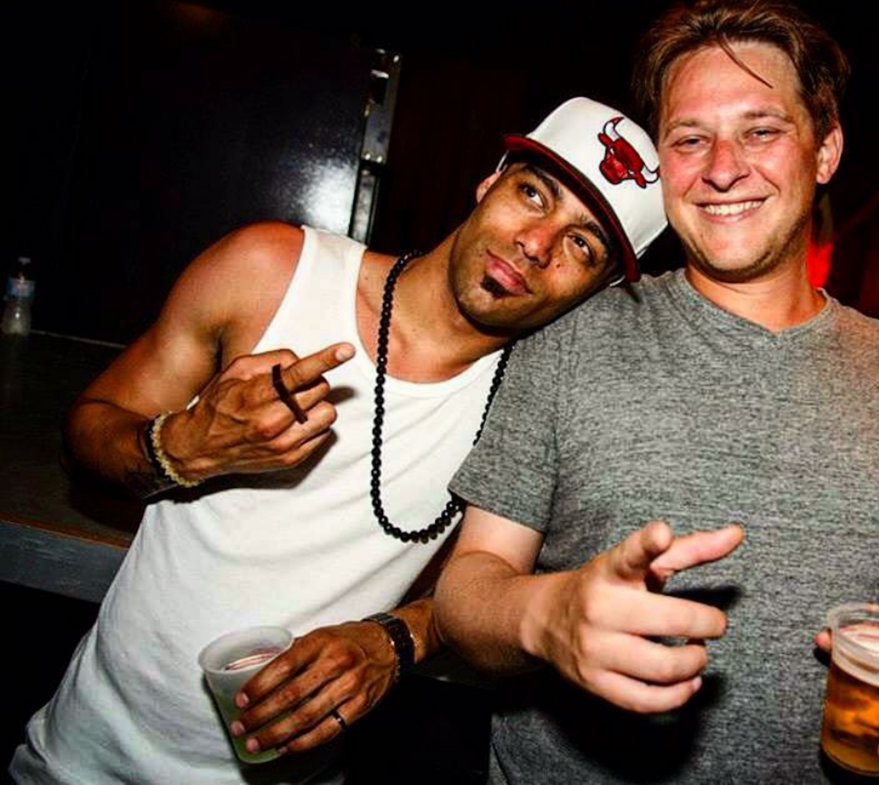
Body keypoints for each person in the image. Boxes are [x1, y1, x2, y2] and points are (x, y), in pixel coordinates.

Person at [10, 96, 667, 785]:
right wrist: (179, 447)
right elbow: (87, 432)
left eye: (582, 244)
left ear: (598, 289)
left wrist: (396, 639)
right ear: (490, 181)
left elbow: (503, 590)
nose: (536, 243)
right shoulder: (271, 271)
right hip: (79, 760)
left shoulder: (532, 407)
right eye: (532, 194)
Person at [434, 2, 879, 783]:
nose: (722, 168)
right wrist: (549, 617)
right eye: (689, 139)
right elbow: (463, 594)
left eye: (761, 131)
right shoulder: (573, 335)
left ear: (825, 150)